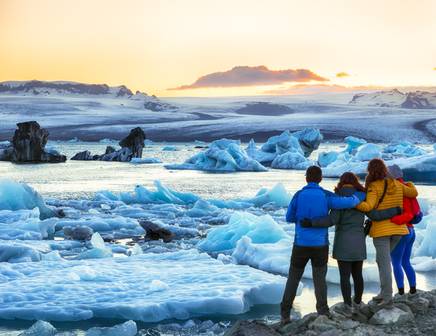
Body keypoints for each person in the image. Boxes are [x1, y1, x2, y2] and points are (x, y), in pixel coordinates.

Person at [301, 172, 401, 315]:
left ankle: (348, 305)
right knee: (357, 274)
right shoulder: (361, 198)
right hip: (358, 241)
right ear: (355, 182)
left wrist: (311, 222)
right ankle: (358, 303)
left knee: (344, 276)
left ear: (341, 182)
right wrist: (395, 210)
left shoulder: (338, 198)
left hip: (342, 242)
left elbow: (331, 220)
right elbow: (376, 216)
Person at [280, 166, 361, 325]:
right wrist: (359, 195)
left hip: (300, 244)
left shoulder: (298, 195)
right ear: (320, 178)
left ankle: (285, 314)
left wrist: (301, 216)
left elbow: (289, 217)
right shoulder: (326, 195)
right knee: (319, 279)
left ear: (306, 178)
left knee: (293, 278)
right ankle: (322, 311)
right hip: (320, 245)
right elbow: (349, 202)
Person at [355, 159, 418, 307]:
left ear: (370, 171)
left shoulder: (374, 187)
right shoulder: (397, 184)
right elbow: (413, 192)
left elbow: (368, 206)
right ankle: (383, 293)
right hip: (399, 231)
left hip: (382, 232)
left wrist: (354, 202)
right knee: (381, 261)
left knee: (384, 264)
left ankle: (387, 298)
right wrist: (408, 183)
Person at [388, 164, 418, 296]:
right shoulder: (408, 188)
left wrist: (392, 220)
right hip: (411, 231)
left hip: (402, 230)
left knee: (396, 262)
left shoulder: (398, 190)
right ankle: (413, 289)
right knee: (406, 261)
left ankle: (400, 293)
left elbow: (407, 214)